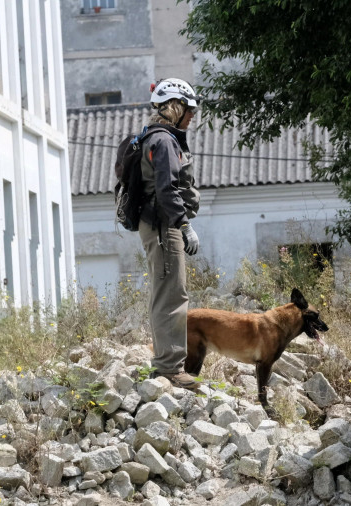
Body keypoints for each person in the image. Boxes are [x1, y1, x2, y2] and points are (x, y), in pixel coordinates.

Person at [137, 78, 202, 389]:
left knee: (166, 293)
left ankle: (166, 363)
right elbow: (166, 189)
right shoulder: (163, 142)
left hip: (160, 225)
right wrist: (185, 226)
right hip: (164, 227)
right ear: (176, 107)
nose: (191, 117)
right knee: (172, 295)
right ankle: (170, 369)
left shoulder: (156, 137)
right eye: (189, 110)